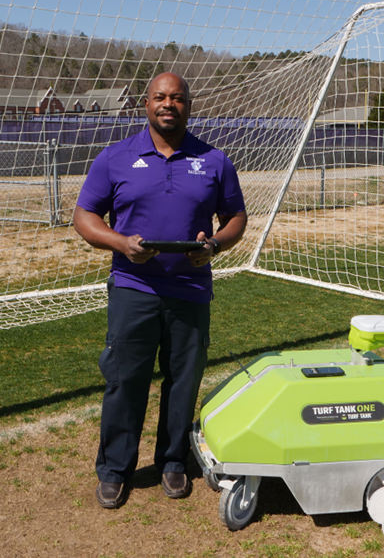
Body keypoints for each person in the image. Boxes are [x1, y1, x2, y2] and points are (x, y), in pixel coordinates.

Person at [73, 72, 247, 509]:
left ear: (189, 105)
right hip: (134, 288)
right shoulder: (115, 157)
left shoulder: (214, 160)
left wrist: (216, 246)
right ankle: (115, 470)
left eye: (177, 98)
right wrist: (119, 243)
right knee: (125, 380)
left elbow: (236, 218)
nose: (168, 104)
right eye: (160, 97)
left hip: (190, 290)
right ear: (145, 103)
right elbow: (84, 216)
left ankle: (172, 462)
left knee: (183, 382)